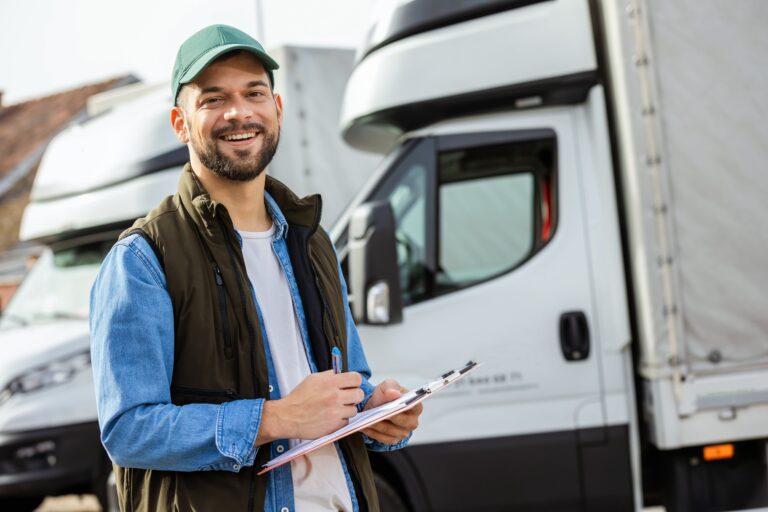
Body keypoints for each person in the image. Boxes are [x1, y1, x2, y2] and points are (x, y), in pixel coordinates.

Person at [89, 24, 422, 512]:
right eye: (213, 99)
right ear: (181, 123)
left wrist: (375, 411)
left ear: (277, 109)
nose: (238, 112)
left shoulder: (312, 242)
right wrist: (276, 418)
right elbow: (129, 429)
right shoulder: (143, 258)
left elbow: (348, 380)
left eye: (254, 93)